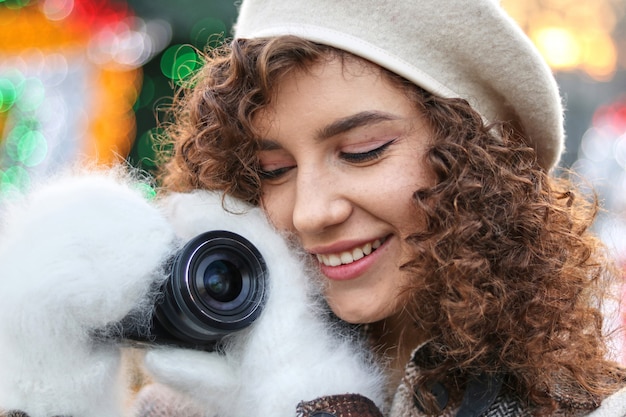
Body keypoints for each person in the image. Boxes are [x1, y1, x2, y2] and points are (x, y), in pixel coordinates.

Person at [155, 0, 626, 416]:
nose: (309, 214)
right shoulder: (189, 401)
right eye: (273, 169)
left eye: (363, 150)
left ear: (477, 166)